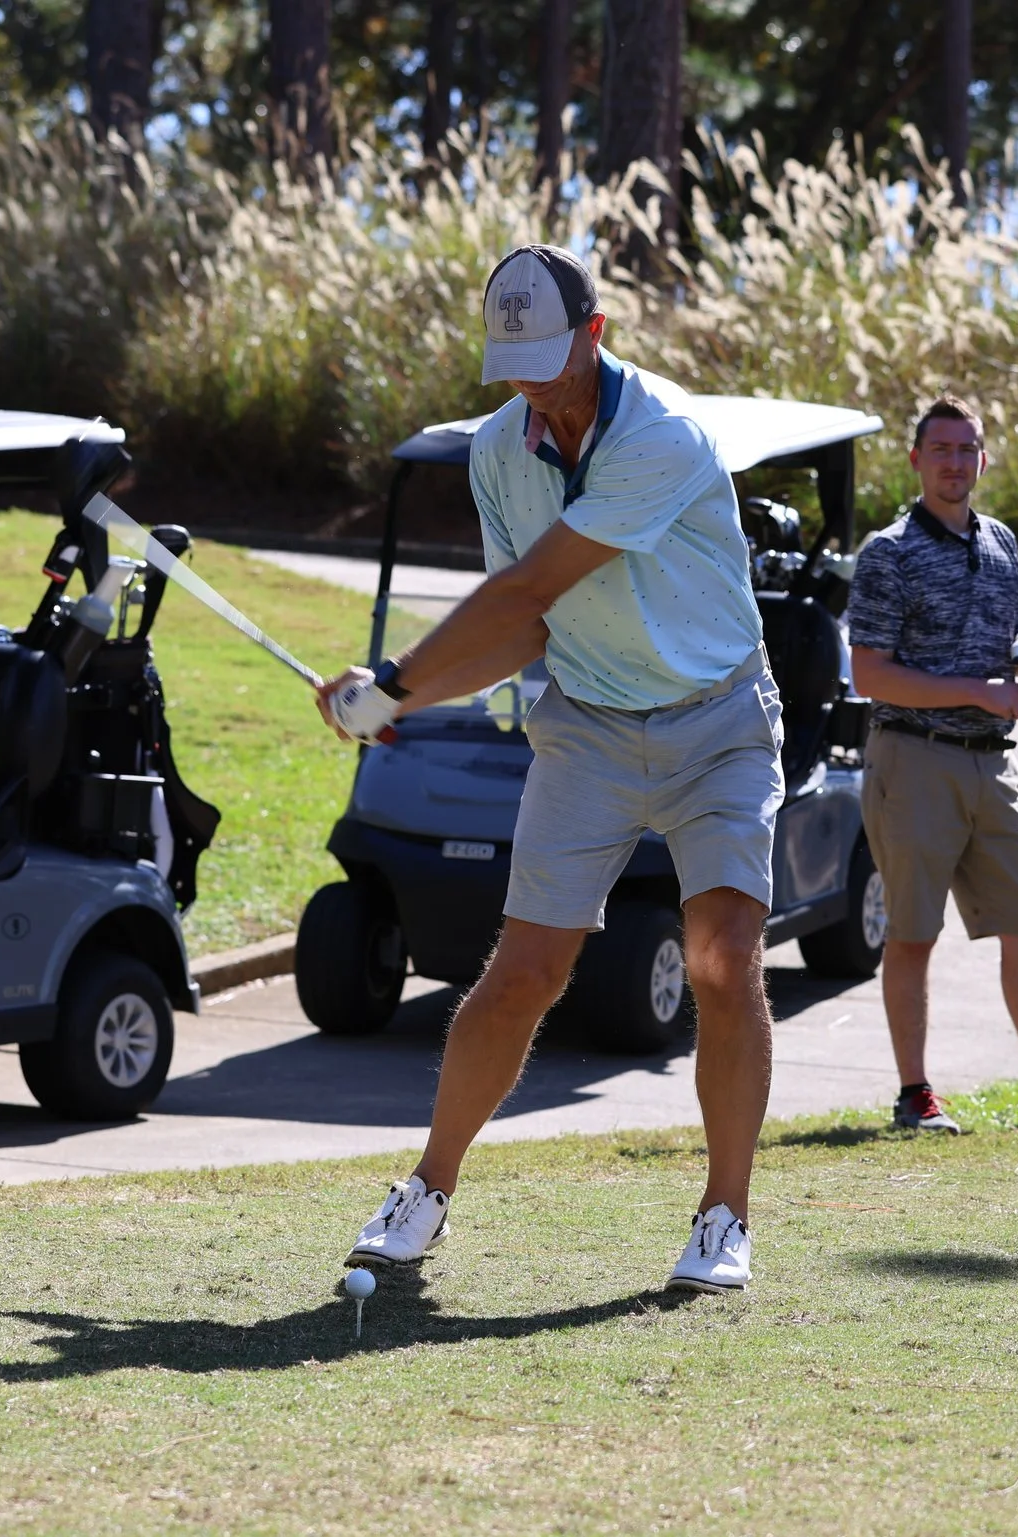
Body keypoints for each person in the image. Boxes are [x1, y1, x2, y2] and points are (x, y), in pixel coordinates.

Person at [318, 244, 782, 1294]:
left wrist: (390, 681)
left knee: (719, 954)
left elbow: (536, 579)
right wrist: (407, 697)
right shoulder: (497, 452)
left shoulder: (658, 434)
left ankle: (724, 1214)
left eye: (548, 353)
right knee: (524, 969)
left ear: (597, 332)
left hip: (718, 715)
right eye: (511, 356)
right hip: (590, 722)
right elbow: (524, 629)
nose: (531, 379)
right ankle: (425, 1193)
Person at [845, 394, 1018, 1137]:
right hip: (914, 762)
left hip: (991, 766)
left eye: (967, 449)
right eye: (941, 449)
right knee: (912, 934)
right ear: (916, 460)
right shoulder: (889, 552)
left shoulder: (999, 541)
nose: (955, 462)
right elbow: (869, 673)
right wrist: (976, 690)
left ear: (982, 459)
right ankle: (915, 1096)